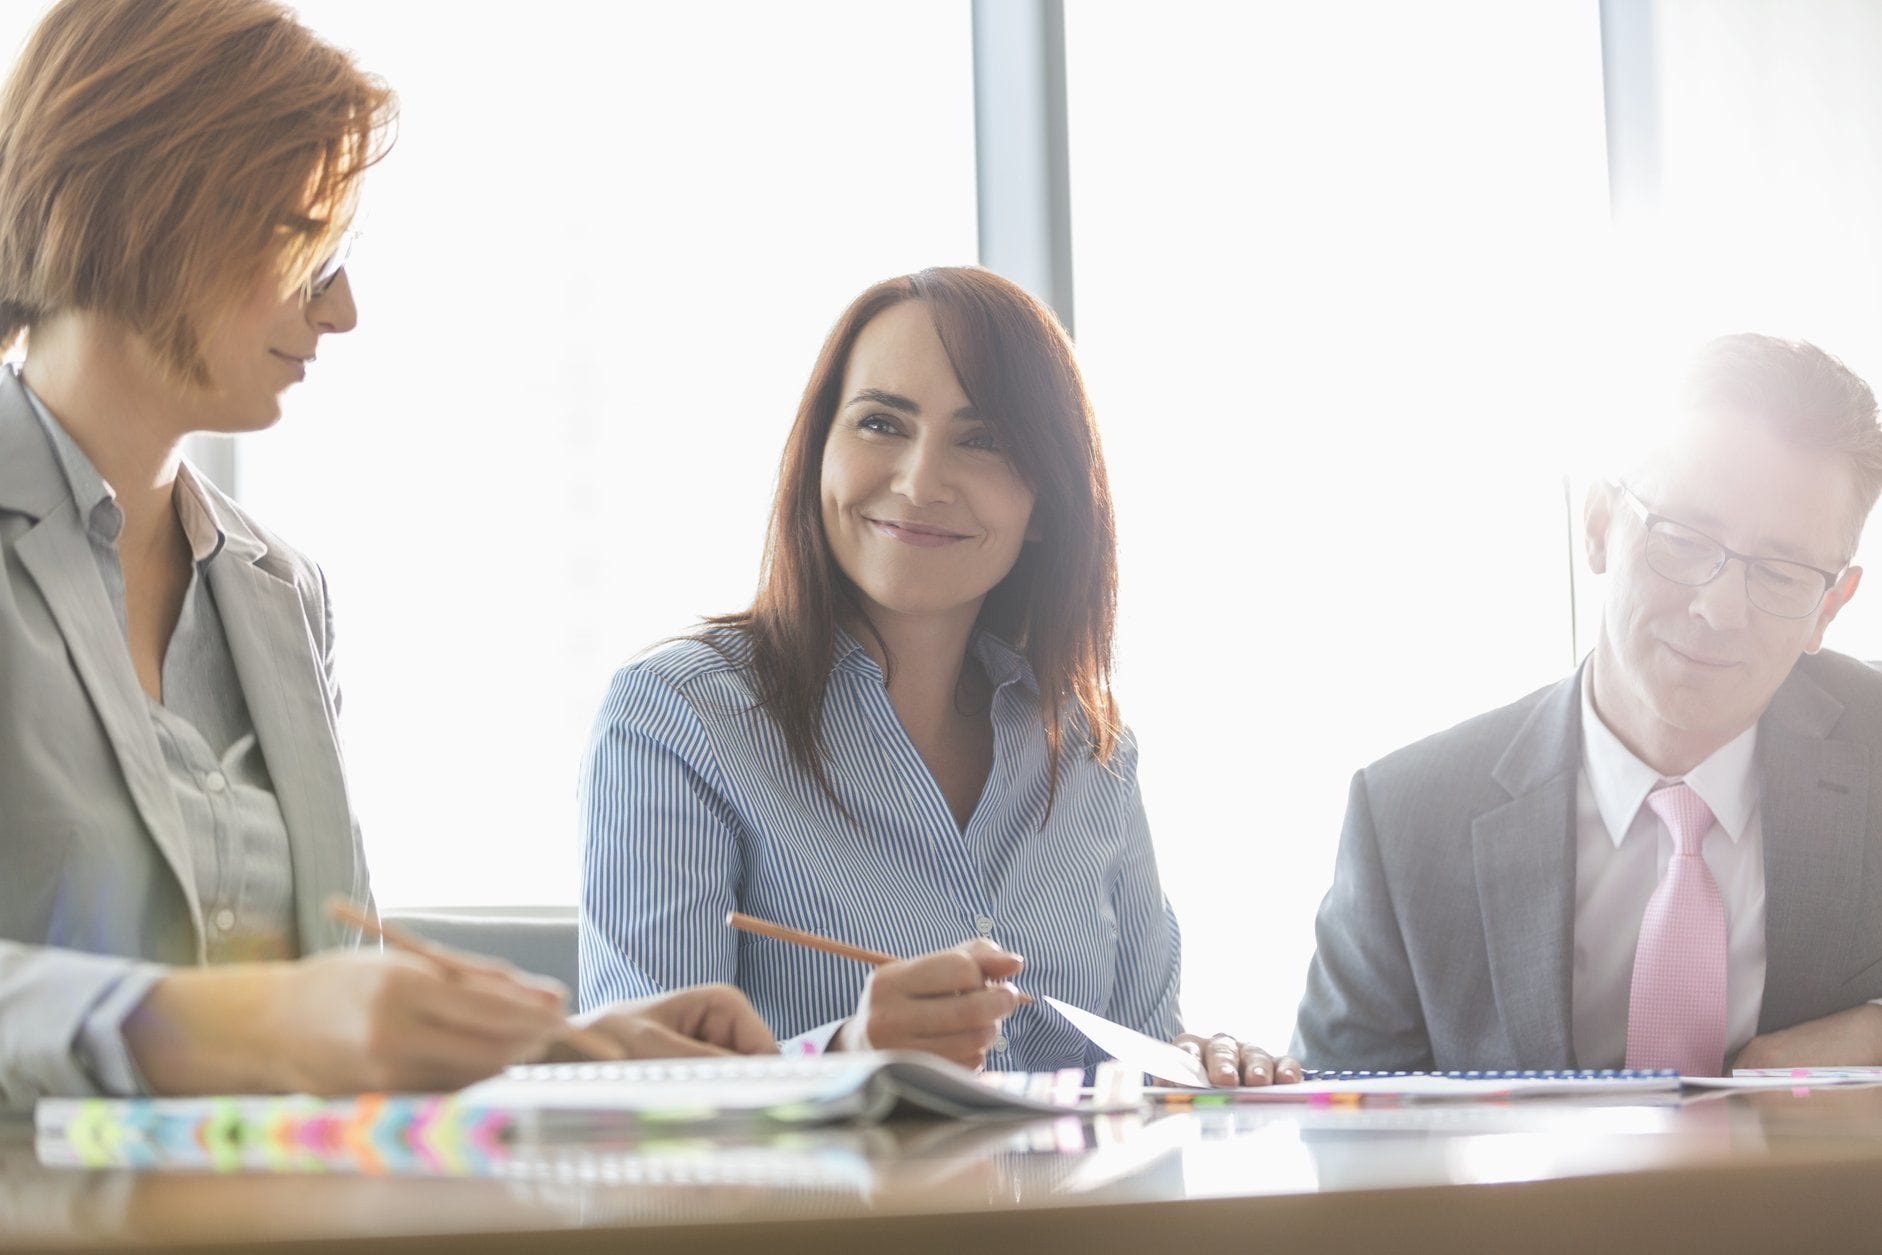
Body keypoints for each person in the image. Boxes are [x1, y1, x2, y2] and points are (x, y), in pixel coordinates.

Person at [0, 0, 774, 1112]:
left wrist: (560, 1047)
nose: (345, 309)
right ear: (149, 204)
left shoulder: (282, 592)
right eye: (307, 243)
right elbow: (277, 1020)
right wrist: (233, 1023)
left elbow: (329, 996)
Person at [580, 266, 1296, 1086]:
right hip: (821, 1217)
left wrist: (1198, 1064)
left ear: (1046, 503)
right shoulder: (679, 719)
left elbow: (1139, 1065)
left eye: (982, 439)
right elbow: (631, 1104)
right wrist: (846, 1058)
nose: (919, 483)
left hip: (1080, 1217)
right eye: (881, 423)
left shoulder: (1091, 747)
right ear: (820, 454)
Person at [1294, 333, 1882, 1076]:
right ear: (1601, 523)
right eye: (1685, 536)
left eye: (1781, 573)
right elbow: (1333, 1133)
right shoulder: (1408, 821)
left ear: (1831, 604)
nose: (1719, 607)